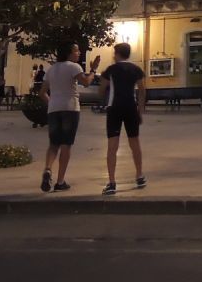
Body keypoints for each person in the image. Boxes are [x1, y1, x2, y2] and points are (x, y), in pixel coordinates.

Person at [39, 44, 100, 193]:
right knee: (66, 144)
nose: (79, 53)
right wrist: (93, 70)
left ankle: (48, 169)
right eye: (76, 50)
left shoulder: (51, 69)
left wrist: (52, 102)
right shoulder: (74, 67)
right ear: (68, 53)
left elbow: (42, 93)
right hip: (70, 108)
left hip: (54, 109)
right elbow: (86, 82)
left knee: (53, 144)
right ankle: (60, 181)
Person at [100, 42, 147, 195]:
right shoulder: (136, 69)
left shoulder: (111, 70)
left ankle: (112, 181)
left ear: (118, 54)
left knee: (112, 145)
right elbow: (142, 90)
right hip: (131, 108)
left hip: (114, 108)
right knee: (135, 142)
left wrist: (103, 100)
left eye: (114, 53)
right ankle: (139, 175)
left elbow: (102, 89)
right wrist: (140, 110)